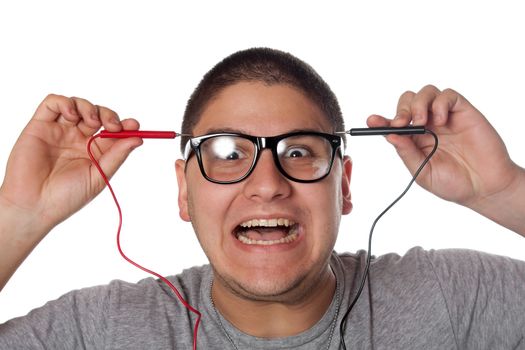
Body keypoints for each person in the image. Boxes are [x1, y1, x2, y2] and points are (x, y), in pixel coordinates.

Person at [0, 48, 524, 349]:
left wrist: (505, 191)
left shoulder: (449, 298)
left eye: (299, 151)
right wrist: (18, 216)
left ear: (342, 185)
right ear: (184, 190)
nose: (268, 183)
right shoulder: (109, 330)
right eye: (228, 153)